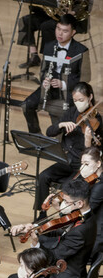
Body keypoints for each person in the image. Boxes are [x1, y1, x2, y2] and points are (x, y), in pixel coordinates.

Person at [12, 178, 96, 278]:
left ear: (79, 203)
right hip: (68, 268)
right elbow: (60, 229)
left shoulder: (81, 231)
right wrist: (34, 228)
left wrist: (36, 243)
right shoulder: (84, 215)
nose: (64, 205)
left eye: (67, 202)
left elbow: (53, 257)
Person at [33, 82, 96, 213]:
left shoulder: (97, 121)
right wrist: (61, 124)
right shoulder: (71, 112)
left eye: (81, 100)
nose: (78, 103)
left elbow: (93, 153)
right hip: (66, 160)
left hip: (80, 165)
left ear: (90, 97)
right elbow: (49, 132)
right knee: (43, 176)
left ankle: (63, 220)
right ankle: (41, 214)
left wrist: (88, 140)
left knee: (67, 187)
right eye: (75, 100)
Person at [22, 15, 89, 135]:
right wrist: (44, 80)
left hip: (69, 90)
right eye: (58, 29)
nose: (60, 34)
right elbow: (43, 70)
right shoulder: (48, 46)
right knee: (26, 105)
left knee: (63, 115)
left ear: (73, 32)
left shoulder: (81, 50)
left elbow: (85, 78)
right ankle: (36, 136)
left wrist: (63, 83)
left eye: (65, 31)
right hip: (49, 88)